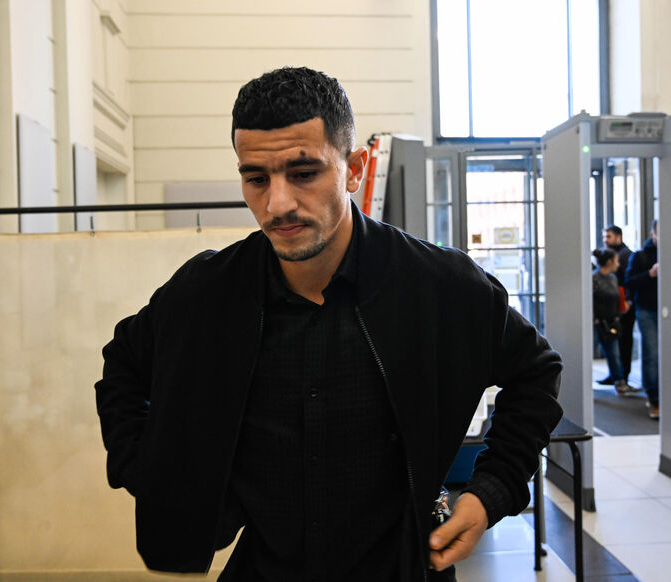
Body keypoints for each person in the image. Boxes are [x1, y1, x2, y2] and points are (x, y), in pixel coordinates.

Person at [94, 66, 563, 581]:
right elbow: (123, 366)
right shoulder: (207, 293)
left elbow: (535, 372)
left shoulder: (438, 285)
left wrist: (491, 490)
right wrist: (152, 474)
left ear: (354, 169)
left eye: (303, 173)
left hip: (401, 569)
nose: (277, 204)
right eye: (256, 178)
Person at [592, 249, 640, 396]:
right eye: (616, 261)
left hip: (613, 321)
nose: (618, 264)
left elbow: (617, 298)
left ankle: (620, 382)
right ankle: (619, 382)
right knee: (608, 353)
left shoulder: (613, 278)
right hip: (598, 323)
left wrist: (623, 307)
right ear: (609, 262)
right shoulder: (594, 279)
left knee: (614, 354)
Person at [625, 220, 660, 419]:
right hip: (647, 310)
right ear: (652, 233)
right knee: (652, 353)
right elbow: (629, 282)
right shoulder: (640, 256)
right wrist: (650, 274)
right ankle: (654, 398)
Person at [602, 225, 635, 383]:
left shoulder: (626, 255)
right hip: (613, 306)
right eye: (604, 237)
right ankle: (616, 374)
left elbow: (628, 282)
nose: (605, 240)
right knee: (614, 340)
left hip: (624, 307)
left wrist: (627, 301)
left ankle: (623, 375)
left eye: (608, 236)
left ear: (618, 237)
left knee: (624, 341)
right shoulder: (612, 255)